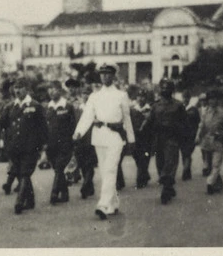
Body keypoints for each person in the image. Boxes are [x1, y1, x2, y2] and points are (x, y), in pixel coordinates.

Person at [73, 64, 135, 220]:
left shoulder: (121, 95)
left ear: (114, 76)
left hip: (115, 136)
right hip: (99, 136)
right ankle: (113, 203)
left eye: (108, 74)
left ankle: (103, 204)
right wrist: (79, 131)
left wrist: (131, 138)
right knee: (105, 170)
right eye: (102, 74)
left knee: (110, 170)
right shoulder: (95, 96)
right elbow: (87, 115)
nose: (105, 77)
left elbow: (127, 118)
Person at [3, 78, 48, 214]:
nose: (17, 91)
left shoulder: (35, 106)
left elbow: (43, 127)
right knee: (19, 173)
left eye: (20, 88)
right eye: (16, 88)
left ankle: (19, 201)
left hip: (30, 146)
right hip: (15, 147)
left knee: (25, 173)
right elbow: (5, 126)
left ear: (27, 90)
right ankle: (30, 200)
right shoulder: (10, 106)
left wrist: (44, 145)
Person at [149, 79, 187, 204]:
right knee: (160, 164)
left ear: (172, 90)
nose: (165, 90)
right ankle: (169, 186)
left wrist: (182, 136)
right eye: (163, 88)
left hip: (172, 138)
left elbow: (185, 122)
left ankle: (166, 189)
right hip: (158, 138)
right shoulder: (155, 105)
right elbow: (149, 121)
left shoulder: (178, 105)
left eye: (167, 88)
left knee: (169, 164)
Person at [195, 89, 223, 195]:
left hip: (219, 141)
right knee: (210, 165)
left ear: (217, 100)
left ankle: (210, 183)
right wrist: (198, 136)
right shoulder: (206, 112)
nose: (212, 101)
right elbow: (201, 125)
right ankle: (218, 184)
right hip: (207, 141)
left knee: (216, 164)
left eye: (214, 99)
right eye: (210, 99)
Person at [45, 80, 75, 205]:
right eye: (49, 89)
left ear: (60, 91)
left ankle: (54, 193)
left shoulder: (68, 106)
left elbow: (73, 125)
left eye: (54, 89)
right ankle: (65, 193)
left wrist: (72, 141)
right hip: (51, 145)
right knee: (57, 168)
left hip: (65, 143)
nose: (51, 92)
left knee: (59, 167)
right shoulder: (48, 107)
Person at [130, 89, 153, 189]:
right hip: (136, 137)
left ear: (146, 98)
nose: (141, 98)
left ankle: (140, 180)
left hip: (147, 138)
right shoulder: (132, 109)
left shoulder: (149, 110)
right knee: (136, 156)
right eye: (139, 96)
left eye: (143, 96)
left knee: (144, 157)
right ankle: (145, 175)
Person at [180, 91, 201, 181]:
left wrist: (197, 135)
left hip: (191, 135)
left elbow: (198, 122)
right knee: (184, 153)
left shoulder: (194, 110)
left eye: (186, 97)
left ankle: (185, 170)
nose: (185, 99)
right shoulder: (180, 109)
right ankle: (187, 171)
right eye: (183, 97)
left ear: (189, 99)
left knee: (187, 153)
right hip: (182, 135)